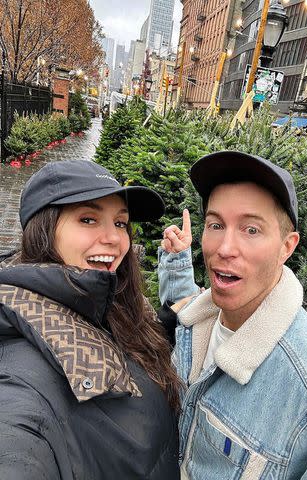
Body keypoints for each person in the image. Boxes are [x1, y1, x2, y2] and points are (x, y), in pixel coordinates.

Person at [157, 151, 307, 479]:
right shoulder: (197, 324)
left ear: (287, 247)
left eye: (251, 230)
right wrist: (177, 262)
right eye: (216, 224)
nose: (225, 247)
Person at [0, 160, 180, 479]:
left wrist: (170, 320)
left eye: (121, 223)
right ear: (44, 230)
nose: (113, 238)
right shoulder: (19, 383)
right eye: (88, 219)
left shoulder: (111, 301)